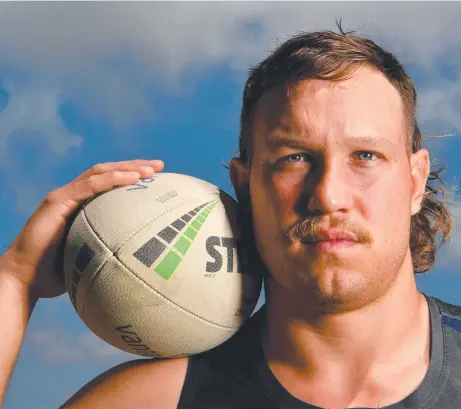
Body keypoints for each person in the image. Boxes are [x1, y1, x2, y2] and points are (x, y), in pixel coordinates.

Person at [0, 25, 458, 409]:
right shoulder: (153, 400)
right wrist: (14, 280)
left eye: (365, 155)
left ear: (416, 181)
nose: (327, 194)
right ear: (243, 185)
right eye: (294, 158)